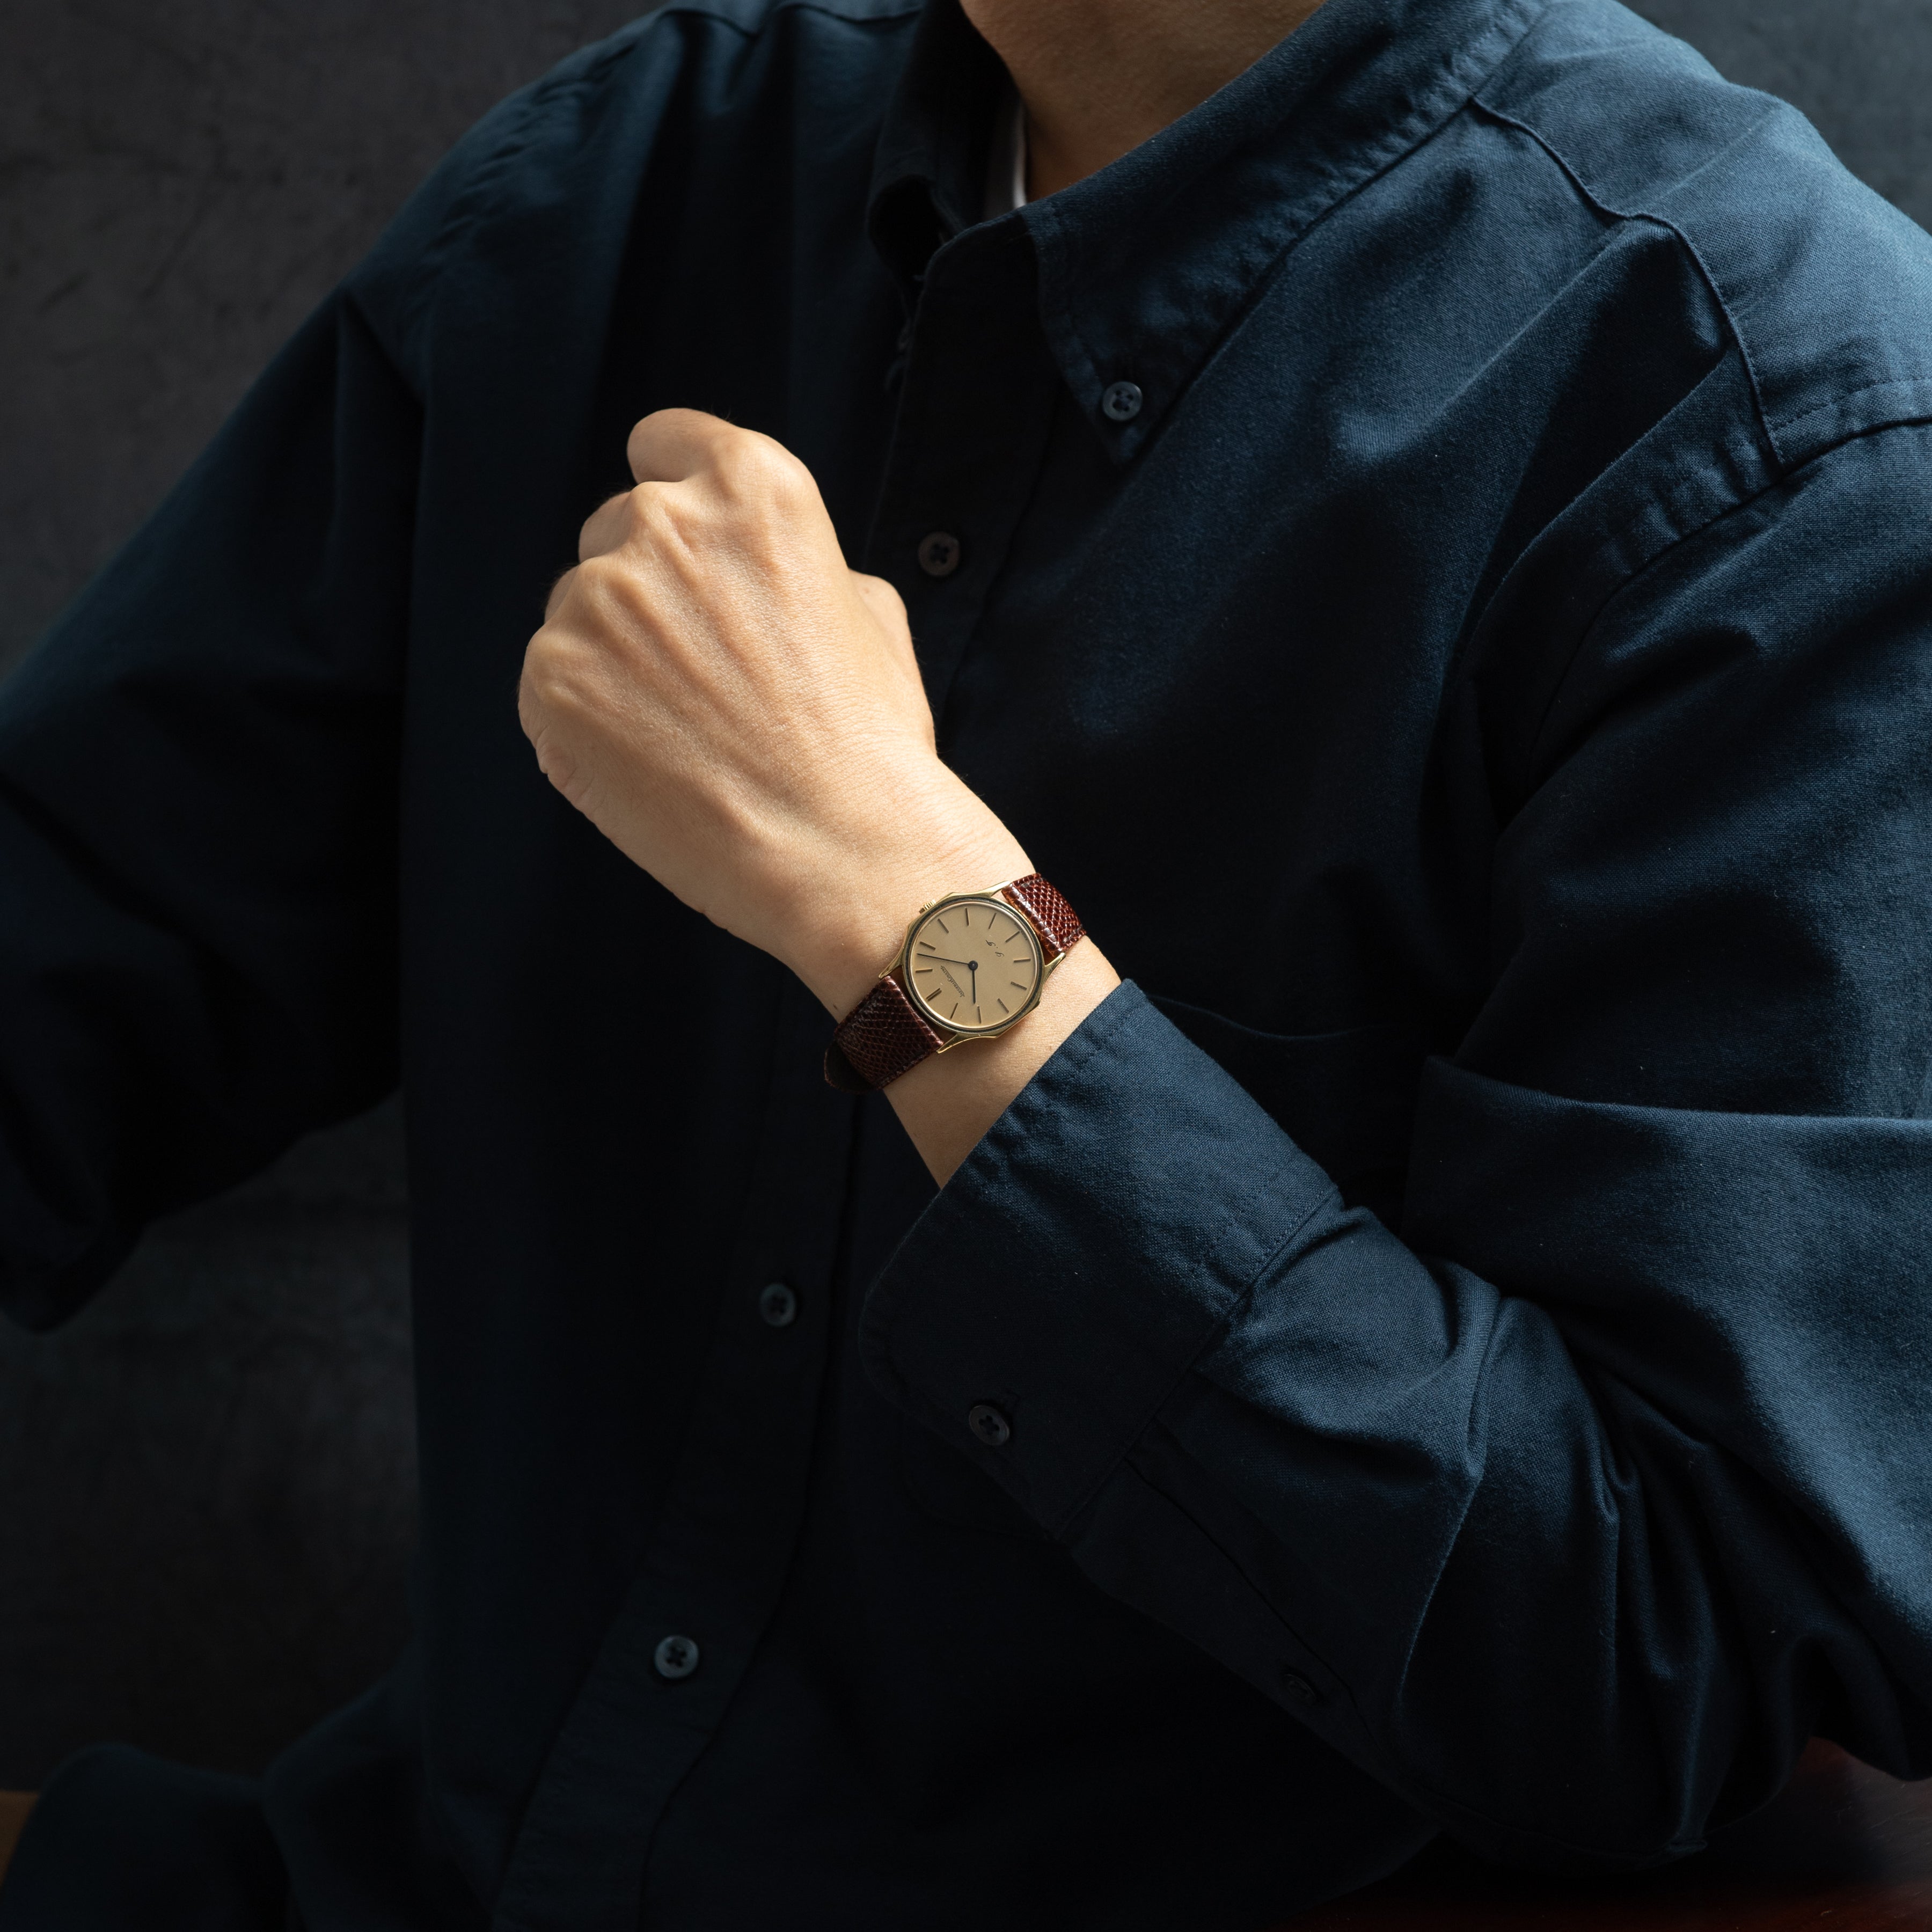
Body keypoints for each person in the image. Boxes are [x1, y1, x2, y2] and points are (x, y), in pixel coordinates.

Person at [3, 0, 1932, 1924]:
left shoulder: (1782, 428)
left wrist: (901, 901)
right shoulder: (609, 190)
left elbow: (1655, 1652)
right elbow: (75, 947)